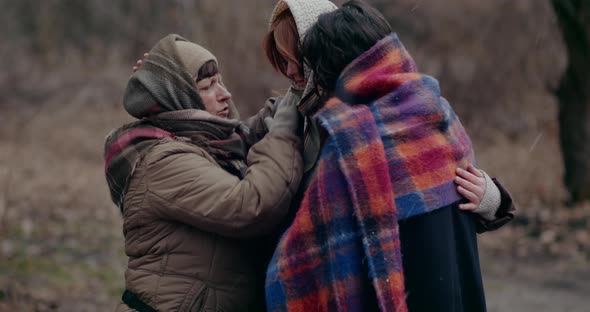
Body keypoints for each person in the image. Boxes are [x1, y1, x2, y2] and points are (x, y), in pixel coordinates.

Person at [264, 1, 515, 311]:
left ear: (331, 67)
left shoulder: (350, 138)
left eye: (301, 62)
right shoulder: (433, 106)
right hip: (453, 291)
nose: (293, 72)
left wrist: (493, 200)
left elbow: (305, 253)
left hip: (400, 290)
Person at [104, 34, 303, 311]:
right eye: (208, 86)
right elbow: (248, 205)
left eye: (220, 81)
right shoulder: (162, 160)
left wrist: (296, 93)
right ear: (177, 97)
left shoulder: (209, 145)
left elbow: (244, 134)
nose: (225, 93)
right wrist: (282, 134)